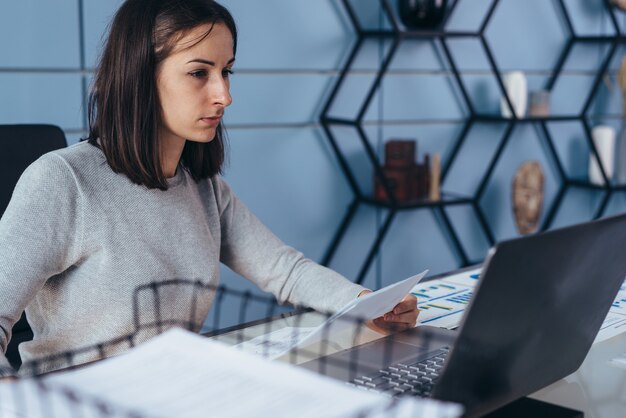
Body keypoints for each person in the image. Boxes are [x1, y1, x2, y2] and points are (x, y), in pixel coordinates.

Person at [0, 0, 418, 377]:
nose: (224, 95)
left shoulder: (203, 187)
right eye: (199, 73)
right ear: (141, 77)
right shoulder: (63, 180)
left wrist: (367, 302)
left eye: (226, 71)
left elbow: (285, 271)